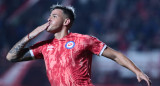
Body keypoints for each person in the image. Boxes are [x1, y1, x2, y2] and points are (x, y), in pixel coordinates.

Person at [6, 4, 151, 86]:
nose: (49, 19)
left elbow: (115, 55)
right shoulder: (43, 47)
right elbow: (11, 57)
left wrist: (137, 71)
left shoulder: (83, 40)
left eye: (54, 16)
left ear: (66, 22)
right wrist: (30, 36)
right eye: (49, 16)